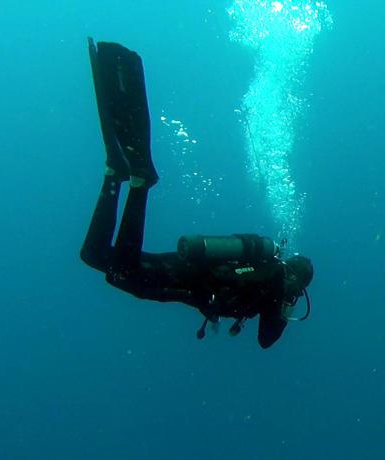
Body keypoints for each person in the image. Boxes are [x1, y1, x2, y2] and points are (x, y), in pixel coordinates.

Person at [79, 38, 313, 349]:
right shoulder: (273, 284)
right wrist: (286, 306)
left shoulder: (265, 267)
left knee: (94, 256)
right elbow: (266, 340)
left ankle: (115, 175)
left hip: (183, 269)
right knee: (124, 271)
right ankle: (139, 182)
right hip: (181, 279)